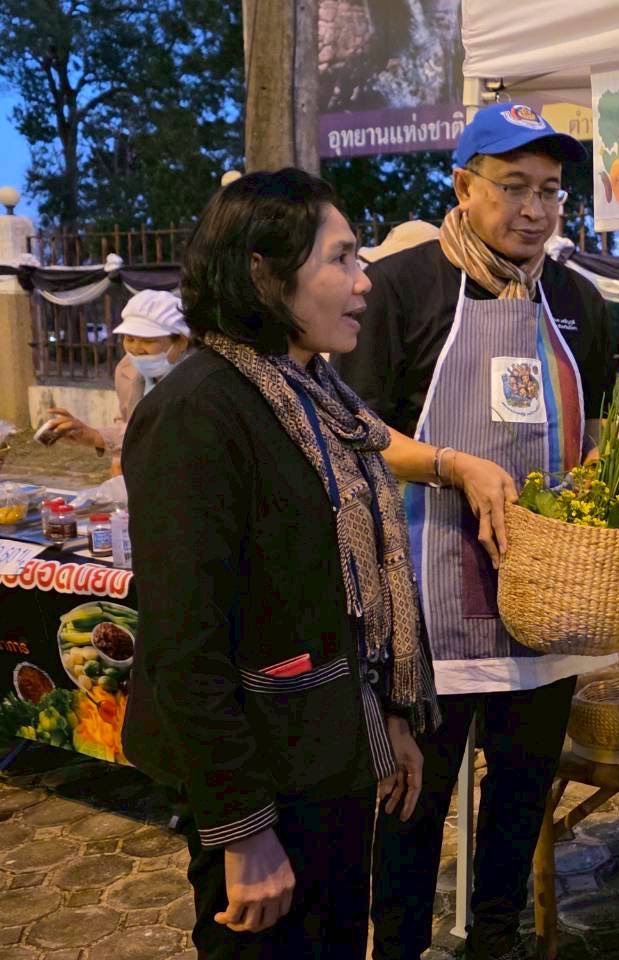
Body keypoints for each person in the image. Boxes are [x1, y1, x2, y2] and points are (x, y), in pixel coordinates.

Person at [122, 169, 439, 959]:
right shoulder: (199, 411)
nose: (364, 282)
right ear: (263, 274)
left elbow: (348, 598)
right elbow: (183, 645)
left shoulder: (317, 393)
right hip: (263, 773)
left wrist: (390, 719)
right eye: (341, 259)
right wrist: (244, 832)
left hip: (329, 753)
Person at [331, 102, 617, 960]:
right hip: (428, 609)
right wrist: (453, 464)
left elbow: (591, 431)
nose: (534, 209)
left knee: (521, 803)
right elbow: (354, 437)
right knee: (412, 807)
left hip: (544, 611)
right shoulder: (400, 289)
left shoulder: (580, 301)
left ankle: (496, 939)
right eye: (513, 187)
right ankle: (403, 946)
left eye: (552, 193)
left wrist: (601, 491)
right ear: (463, 185)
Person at [43, 288, 190, 469]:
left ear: (181, 341)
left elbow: (163, 434)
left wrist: (96, 436)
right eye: (129, 339)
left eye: (148, 341)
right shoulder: (127, 369)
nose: (136, 349)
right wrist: (117, 457)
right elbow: (126, 419)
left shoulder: (197, 381)